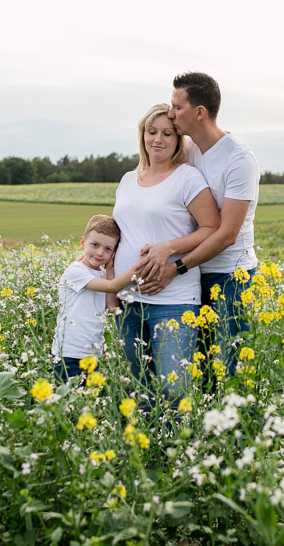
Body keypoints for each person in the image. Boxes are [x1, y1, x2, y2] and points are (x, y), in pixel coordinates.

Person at [137, 72, 259, 375]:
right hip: (193, 276)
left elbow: (226, 234)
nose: (170, 113)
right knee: (199, 371)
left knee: (232, 371)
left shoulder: (239, 159)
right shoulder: (189, 150)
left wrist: (174, 267)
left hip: (231, 277)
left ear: (199, 113)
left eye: (177, 107)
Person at [113, 103, 220, 404]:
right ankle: (147, 449)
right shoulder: (127, 179)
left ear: (178, 140)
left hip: (173, 299)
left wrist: (167, 249)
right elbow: (121, 232)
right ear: (142, 135)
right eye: (151, 132)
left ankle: (181, 449)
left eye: (167, 133)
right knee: (139, 387)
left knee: (174, 388)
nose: (157, 139)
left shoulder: (187, 177)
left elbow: (211, 227)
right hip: (129, 299)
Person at [51, 214, 137, 382]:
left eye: (107, 249)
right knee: (72, 403)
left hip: (91, 354)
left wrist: (110, 272)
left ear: (113, 253)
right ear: (83, 242)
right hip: (69, 353)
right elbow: (113, 287)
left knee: (88, 403)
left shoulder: (102, 275)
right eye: (95, 245)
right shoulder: (76, 271)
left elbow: (112, 308)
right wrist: (141, 267)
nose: (99, 253)